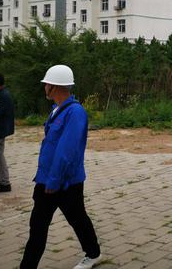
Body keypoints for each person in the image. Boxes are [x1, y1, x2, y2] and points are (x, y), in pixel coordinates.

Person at [20, 64, 102, 269]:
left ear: (54, 86)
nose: (44, 86)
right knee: (38, 227)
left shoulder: (75, 113)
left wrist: (54, 181)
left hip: (65, 182)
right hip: (46, 179)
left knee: (78, 219)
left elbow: (67, 150)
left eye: (46, 83)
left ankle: (93, 254)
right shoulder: (57, 109)